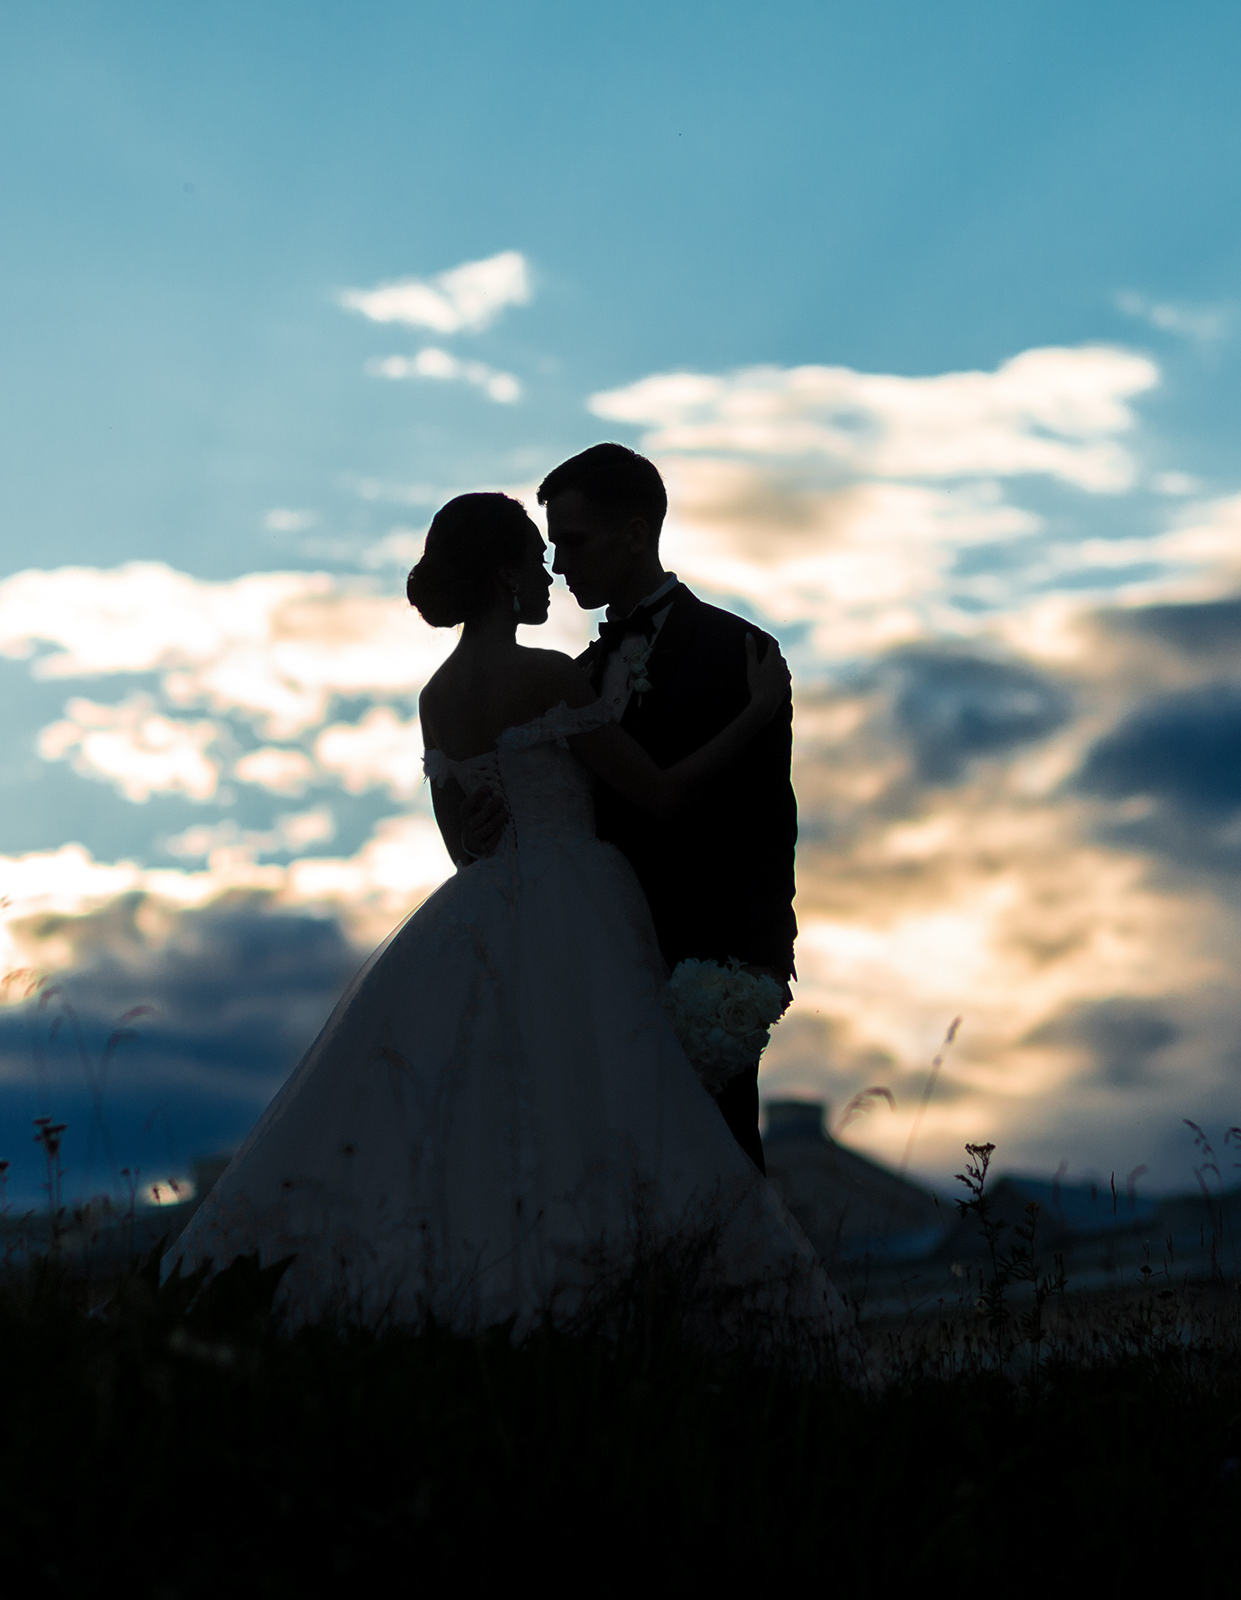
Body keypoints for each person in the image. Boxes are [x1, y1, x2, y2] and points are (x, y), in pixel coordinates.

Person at [166, 491, 846, 1342]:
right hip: (580, 906)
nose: (550, 576)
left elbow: (464, 846)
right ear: (502, 574)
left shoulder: (437, 697)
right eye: (534, 557)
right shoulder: (549, 677)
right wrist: (755, 713)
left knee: (490, 1119)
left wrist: (492, 830)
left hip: (485, 910)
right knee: (603, 1104)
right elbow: (661, 794)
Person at [456, 443, 796, 1172]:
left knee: (721, 1166)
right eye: (550, 547)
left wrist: (756, 969)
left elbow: (765, 825)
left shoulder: (738, 652)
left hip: (704, 966)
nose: (558, 565)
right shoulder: (571, 679)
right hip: (590, 959)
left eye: (572, 543)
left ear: (636, 533)